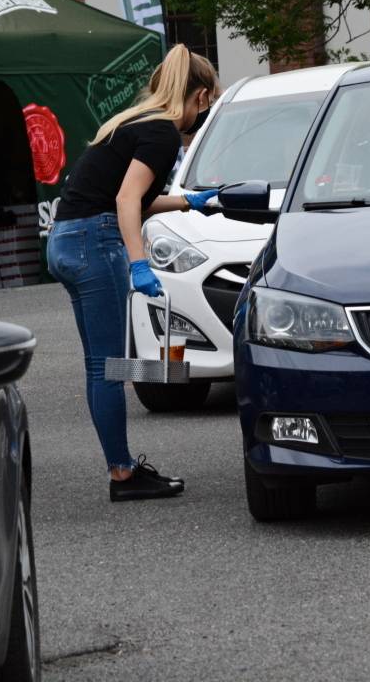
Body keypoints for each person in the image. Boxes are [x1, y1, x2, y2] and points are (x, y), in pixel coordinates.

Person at [47, 44, 221, 502]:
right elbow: (126, 202)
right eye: (210, 102)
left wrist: (190, 201)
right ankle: (122, 474)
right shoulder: (163, 133)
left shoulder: (134, 122)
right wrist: (139, 261)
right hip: (94, 243)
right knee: (109, 370)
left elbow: (126, 195)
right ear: (200, 96)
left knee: (97, 367)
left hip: (65, 240)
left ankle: (121, 468)